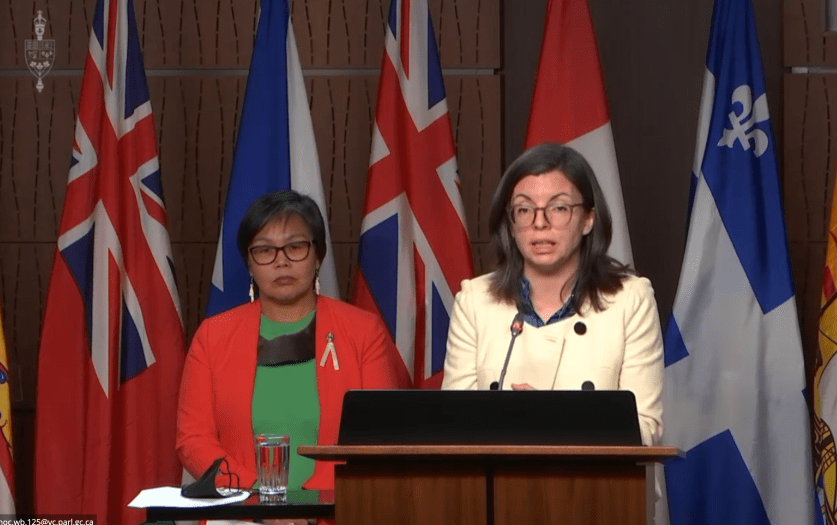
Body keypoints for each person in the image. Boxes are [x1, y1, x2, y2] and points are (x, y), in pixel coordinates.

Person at [177, 190, 411, 496]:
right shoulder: (212, 336)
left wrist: (313, 506)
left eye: (295, 247)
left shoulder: (363, 331)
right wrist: (257, 496)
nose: (281, 262)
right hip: (241, 508)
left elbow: (379, 434)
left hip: (339, 508)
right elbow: (193, 439)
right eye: (265, 250)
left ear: (318, 256)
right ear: (249, 264)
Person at [442, 143, 664, 446]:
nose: (540, 223)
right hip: (498, 476)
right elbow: (454, 426)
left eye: (559, 208)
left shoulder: (630, 300)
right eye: (524, 209)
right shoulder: (475, 301)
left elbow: (645, 430)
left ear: (588, 219)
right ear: (510, 223)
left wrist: (553, 419)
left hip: (595, 477)